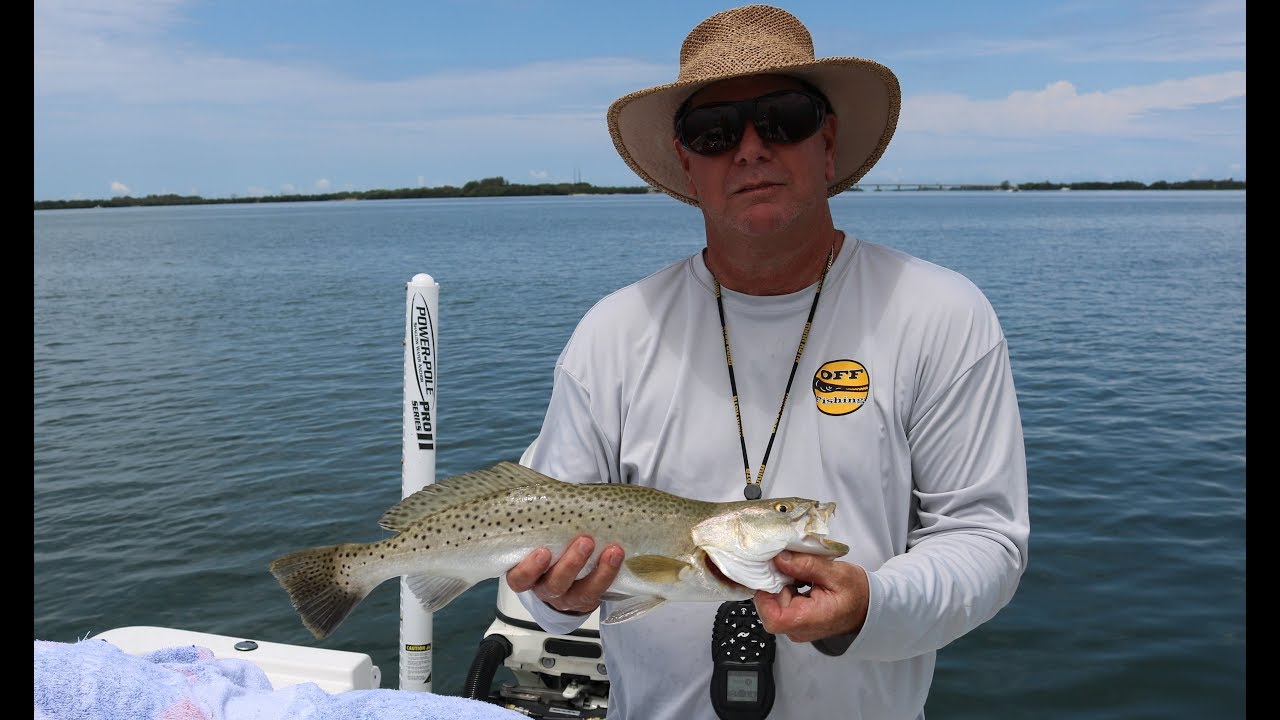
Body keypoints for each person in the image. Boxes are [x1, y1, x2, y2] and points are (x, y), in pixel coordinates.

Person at [505, 4, 1029, 719]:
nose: (750, 149)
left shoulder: (941, 312)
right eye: (714, 131)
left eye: (783, 118)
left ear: (828, 141)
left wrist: (872, 604)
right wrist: (559, 598)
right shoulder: (612, 333)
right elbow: (542, 561)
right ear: (686, 163)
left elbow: (985, 538)